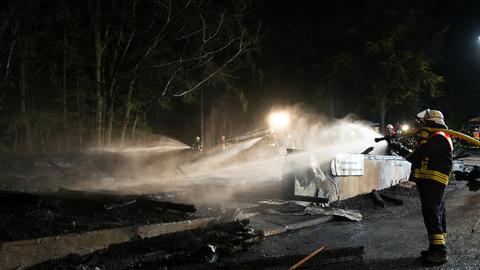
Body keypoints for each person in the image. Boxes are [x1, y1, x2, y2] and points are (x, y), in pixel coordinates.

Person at [396, 109, 453, 264]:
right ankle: (435, 247)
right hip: (429, 183)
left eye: (423, 122)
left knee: (432, 213)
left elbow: (425, 150)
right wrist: (399, 149)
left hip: (434, 182)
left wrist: (422, 136)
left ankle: (440, 252)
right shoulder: (434, 137)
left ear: (430, 121)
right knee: (435, 213)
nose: (421, 125)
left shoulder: (439, 137)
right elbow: (418, 156)